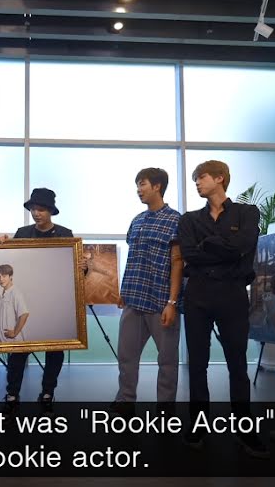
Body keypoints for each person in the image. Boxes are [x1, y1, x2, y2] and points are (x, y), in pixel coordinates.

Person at [178, 160, 267, 458]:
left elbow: (244, 245)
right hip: (198, 295)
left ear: (219, 178)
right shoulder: (189, 219)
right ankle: (197, 426)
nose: (197, 183)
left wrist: (209, 245)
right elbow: (190, 254)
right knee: (197, 364)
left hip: (232, 295)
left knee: (237, 365)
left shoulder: (247, 212)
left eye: (201, 177)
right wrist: (225, 249)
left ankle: (244, 430)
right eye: (195, 179)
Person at [0, 188, 76, 412]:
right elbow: (11, 264)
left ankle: (48, 392)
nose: (36, 213)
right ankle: (12, 394)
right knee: (18, 349)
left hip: (54, 301)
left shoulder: (65, 234)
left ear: (50, 211)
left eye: (41, 209)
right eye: (33, 209)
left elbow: (72, 269)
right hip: (26, 299)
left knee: (55, 349)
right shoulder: (22, 233)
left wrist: (83, 267)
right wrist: (2, 244)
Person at [111, 167, 183, 413]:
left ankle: (165, 409)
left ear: (157, 186)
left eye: (142, 184)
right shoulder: (137, 220)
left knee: (167, 361)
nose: (138, 190)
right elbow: (133, 258)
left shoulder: (175, 220)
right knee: (126, 357)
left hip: (161, 302)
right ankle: (125, 401)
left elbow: (177, 262)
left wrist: (172, 302)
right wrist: (124, 290)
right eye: (137, 185)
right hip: (133, 299)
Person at [0, 264, 30, 342]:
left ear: (10, 276)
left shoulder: (15, 293)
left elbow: (24, 314)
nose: (1, 279)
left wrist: (14, 333)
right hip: (3, 341)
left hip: (14, 342)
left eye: (4, 276)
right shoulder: (2, 295)